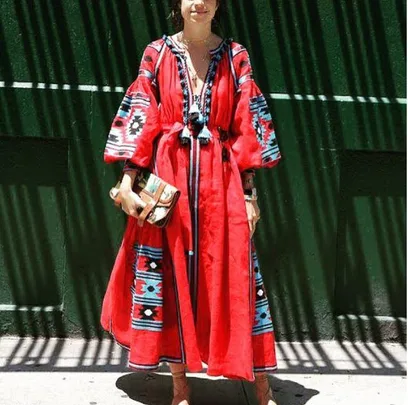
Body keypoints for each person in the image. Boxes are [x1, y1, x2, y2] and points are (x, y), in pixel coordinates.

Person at [101, 0, 281, 404]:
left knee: (236, 273)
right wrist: (129, 180)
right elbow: (143, 115)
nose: (198, 2)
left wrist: (250, 196)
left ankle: (261, 382)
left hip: (222, 180)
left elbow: (244, 127)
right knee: (170, 274)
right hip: (169, 180)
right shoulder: (158, 52)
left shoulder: (236, 57)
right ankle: (180, 382)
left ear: (218, 4)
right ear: (177, 4)